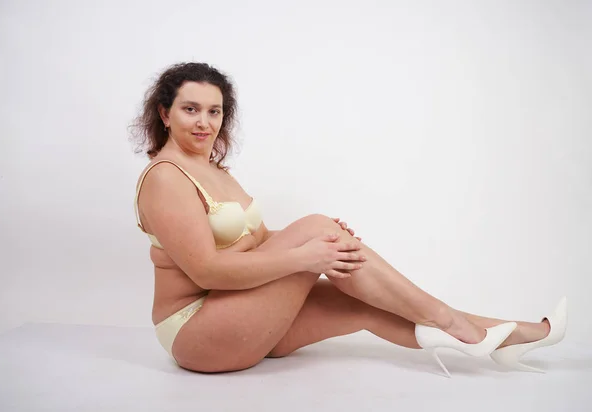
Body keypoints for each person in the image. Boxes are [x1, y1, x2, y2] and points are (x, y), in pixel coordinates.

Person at [130, 62, 567, 377]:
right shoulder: (166, 178)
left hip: (245, 319)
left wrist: (318, 246)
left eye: (215, 111)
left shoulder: (214, 171)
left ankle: (505, 337)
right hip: (198, 331)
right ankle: (452, 323)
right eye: (191, 109)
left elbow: (258, 242)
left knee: (366, 302)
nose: (205, 122)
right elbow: (207, 269)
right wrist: (310, 253)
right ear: (165, 114)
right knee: (319, 229)